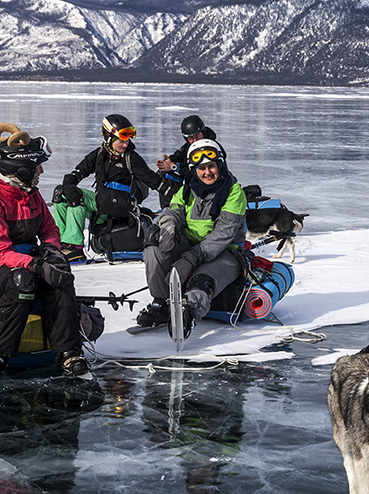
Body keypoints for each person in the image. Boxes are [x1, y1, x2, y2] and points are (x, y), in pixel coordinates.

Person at [0, 122, 89, 384]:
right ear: (21, 171)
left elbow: (49, 229)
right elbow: (1, 252)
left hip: (25, 261)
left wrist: (52, 253)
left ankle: (69, 352)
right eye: (37, 167)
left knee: (59, 276)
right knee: (22, 282)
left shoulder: (31, 195)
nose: (41, 171)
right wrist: (36, 266)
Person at [136, 139, 247, 340]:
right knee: (154, 244)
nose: (207, 172)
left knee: (201, 280)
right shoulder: (187, 188)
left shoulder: (234, 192)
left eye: (211, 166)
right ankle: (161, 303)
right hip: (190, 244)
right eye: (201, 168)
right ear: (194, 169)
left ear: (220, 165)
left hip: (223, 252)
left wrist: (191, 257)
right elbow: (174, 210)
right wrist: (168, 224)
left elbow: (223, 235)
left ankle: (189, 313)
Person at [52, 114, 163, 261]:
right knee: (60, 194)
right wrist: (68, 185)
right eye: (121, 141)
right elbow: (76, 173)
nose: (125, 144)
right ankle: (60, 244)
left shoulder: (132, 158)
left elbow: (154, 181)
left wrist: (175, 196)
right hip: (103, 204)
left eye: (127, 140)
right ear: (108, 137)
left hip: (121, 207)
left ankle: (75, 248)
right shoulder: (99, 155)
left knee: (78, 197)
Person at [156, 115, 219, 208]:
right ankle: (169, 209)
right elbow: (178, 155)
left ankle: (183, 206)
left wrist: (175, 167)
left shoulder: (212, 148)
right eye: (191, 138)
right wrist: (167, 163)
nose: (195, 140)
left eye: (197, 136)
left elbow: (197, 171)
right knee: (164, 174)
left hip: (207, 184)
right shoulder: (189, 147)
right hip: (191, 181)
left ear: (203, 132)